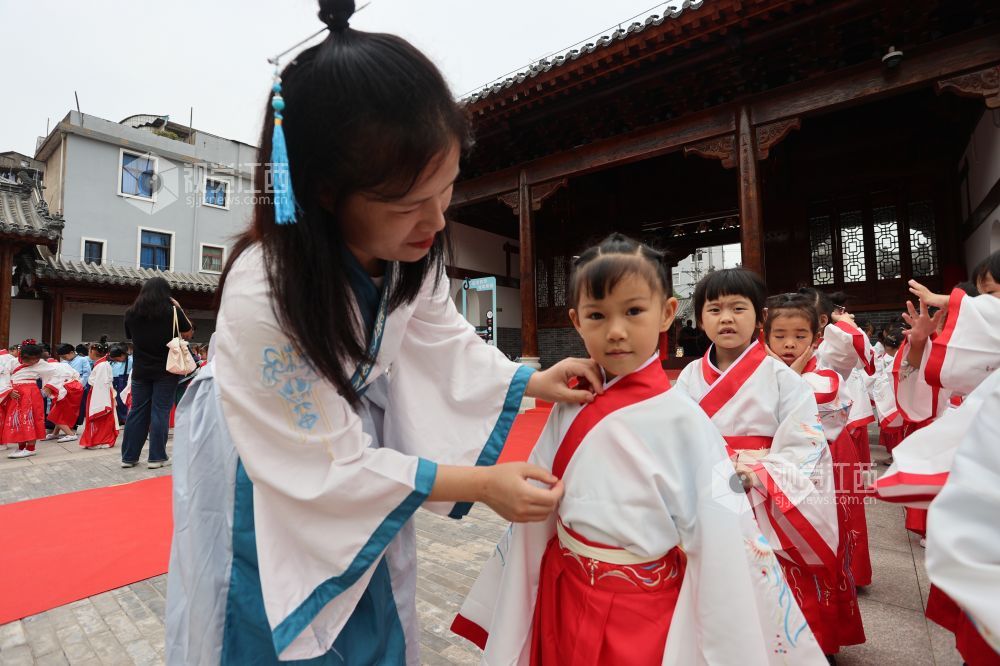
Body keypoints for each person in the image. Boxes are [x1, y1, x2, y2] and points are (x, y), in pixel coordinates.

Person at [164, 3, 603, 663]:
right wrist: (481, 485)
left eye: (447, 189)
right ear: (323, 192)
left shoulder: (409, 250)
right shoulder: (266, 290)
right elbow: (323, 466)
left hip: (356, 458)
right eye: (405, 204)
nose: (432, 222)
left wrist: (529, 378)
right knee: (273, 616)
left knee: (372, 607)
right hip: (272, 450)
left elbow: (439, 337)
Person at [453, 234, 825, 665]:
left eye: (633, 311)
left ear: (667, 312)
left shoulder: (687, 421)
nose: (615, 331)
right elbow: (537, 510)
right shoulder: (571, 406)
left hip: (643, 610)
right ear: (577, 321)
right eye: (597, 315)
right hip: (562, 593)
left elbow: (724, 541)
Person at [674, 270, 851, 657]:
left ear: (759, 319)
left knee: (768, 577)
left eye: (739, 308)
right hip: (707, 487)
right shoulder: (689, 376)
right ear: (699, 320)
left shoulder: (782, 378)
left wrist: (759, 474)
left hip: (760, 491)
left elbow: (805, 439)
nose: (726, 318)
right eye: (714, 309)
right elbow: (673, 436)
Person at [764, 293, 871, 611]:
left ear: (816, 336)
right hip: (773, 466)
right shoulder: (759, 371)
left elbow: (821, 398)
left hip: (822, 461)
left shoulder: (824, 373)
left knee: (821, 532)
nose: (789, 344)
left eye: (800, 335)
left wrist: (788, 376)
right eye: (779, 335)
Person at [120, 277, 192, 468]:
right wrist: (179, 307)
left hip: (141, 370)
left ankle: (129, 457)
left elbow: (130, 336)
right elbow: (187, 332)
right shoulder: (172, 310)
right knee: (160, 411)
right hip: (167, 369)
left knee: (136, 411)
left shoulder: (131, 313)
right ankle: (157, 457)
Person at [2, 340, 59, 459]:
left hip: (31, 393)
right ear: (21, 355)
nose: (33, 361)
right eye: (29, 359)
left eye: (36, 359)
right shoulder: (12, 362)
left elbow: (56, 373)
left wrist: (49, 386)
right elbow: (4, 376)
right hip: (15, 392)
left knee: (30, 418)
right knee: (16, 419)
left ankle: (31, 448)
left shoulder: (42, 364)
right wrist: (9, 390)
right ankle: (21, 446)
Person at [80, 339, 118, 451]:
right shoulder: (101, 364)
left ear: (93, 352)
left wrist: (101, 403)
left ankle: (103, 440)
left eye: (89, 351)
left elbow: (102, 385)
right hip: (97, 392)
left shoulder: (102, 365)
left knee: (102, 417)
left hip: (101, 395)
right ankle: (97, 439)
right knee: (100, 419)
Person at [41, 358, 84, 442]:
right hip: (75, 387)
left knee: (54, 414)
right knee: (60, 412)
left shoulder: (48, 369)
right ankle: (55, 433)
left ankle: (70, 434)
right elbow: (77, 375)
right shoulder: (65, 365)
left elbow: (46, 386)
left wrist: (48, 393)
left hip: (63, 390)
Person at [108, 344, 132, 424]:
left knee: (125, 401)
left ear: (122, 355)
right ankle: (120, 419)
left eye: (117, 359)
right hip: (118, 380)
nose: (116, 361)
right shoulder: (115, 362)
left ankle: (126, 418)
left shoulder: (131, 360)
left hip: (126, 380)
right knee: (118, 400)